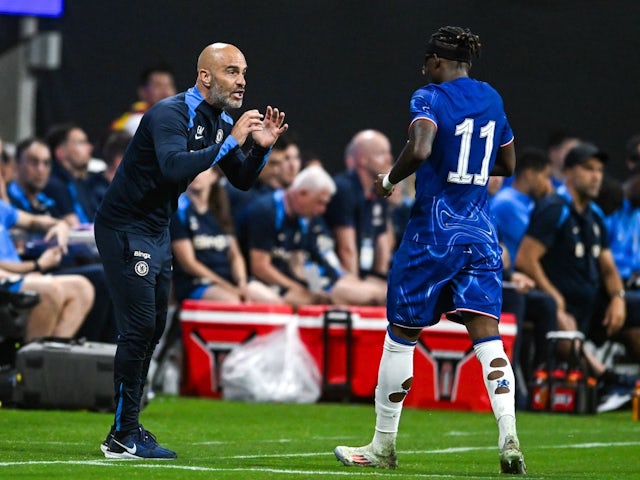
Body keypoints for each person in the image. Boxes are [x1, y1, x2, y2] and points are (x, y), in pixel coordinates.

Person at [333, 26, 526, 474]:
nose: (425, 70)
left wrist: (388, 180)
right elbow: (508, 164)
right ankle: (509, 437)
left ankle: (382, 447)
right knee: (487, 337)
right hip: (480, 233)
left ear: (437, 62)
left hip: (432, 234)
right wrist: (469, 163)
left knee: (401, 335)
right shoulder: (492, 98)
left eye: (427, 63)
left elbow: (419, 149)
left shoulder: (430, 96)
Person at [95, 42, 288, 460]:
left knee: (154, 328)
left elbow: (239, 178)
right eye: (232, 71)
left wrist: (260, 146)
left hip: (157, 228)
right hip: (125, 227)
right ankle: (122, 435)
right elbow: (173, 166)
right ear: (205, 76)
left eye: (244, 72)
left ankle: (125, 429)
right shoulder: (169, 113)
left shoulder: (219, 119)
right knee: (140, 327)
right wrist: (231, 140)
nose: (242, 81)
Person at [515, 142, 640, 412]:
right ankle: (608, 382)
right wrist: (555, 297)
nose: (596, 176)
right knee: (560, 320)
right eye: (588, 169)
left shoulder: (594, 215)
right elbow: (526, 259)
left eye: (599, 170)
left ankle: (631, 387)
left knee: (634, 306)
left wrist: (618, 298)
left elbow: (608, 268)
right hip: (560, 307)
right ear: (569, 172)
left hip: (590, 306)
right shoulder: (554, 208)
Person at [8, 138, 116, 342]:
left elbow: (58, 225)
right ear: (16, 165)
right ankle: (90, 353)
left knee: (116, 271)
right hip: (28, 269)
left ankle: (111, 360)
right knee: (102, 277)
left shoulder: (45, 202)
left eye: (46, 163)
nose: (40, 169)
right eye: (33, 162)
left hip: (55, 263)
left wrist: (60, 226)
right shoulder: (10, 201)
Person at [242, 164, 386, 309]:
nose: (322, 210)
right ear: (302, 193)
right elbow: (260, 267)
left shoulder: (304, 218)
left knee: (379, 293)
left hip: (302, 280)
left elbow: (303, 261)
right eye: (320, 203)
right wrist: (302, 289)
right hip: (263, 284)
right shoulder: (266, 211)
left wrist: (318, 288)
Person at [170, 166, 283, 304]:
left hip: (228, 280)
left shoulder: (220, 211)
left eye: (202, 169)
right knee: (235, 303)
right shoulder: (179, 211)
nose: (195, 174)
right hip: (197, 283)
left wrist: (241, 282)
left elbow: (235, 255)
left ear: (214, 176)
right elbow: (189, 263)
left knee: (275, 301)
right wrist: (227, 286)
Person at [0, 199, 94, 342]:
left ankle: (52, 355)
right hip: (6, 278)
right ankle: (31, 360)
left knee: (82, 288)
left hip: (19, 276)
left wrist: (59, 225)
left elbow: (33, 221)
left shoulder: (2, 208)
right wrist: (37, 265)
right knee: (50, 290)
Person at [323, 130, 393, 293]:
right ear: (362, 158)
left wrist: (379, 278)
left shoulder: (378, 193)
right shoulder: (344, 188)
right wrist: (357, 289)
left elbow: (383, 246)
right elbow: (346, 248)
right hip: (337, 278)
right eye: (382, 153)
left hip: (365, 275)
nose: (389, 159)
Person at [44, 123, 101, 227]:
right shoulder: (55, 185)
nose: (90, 148)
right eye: (81, 142)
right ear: (60, 152)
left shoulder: (81, 183)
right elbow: (75, 228)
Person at [110, 64, 177, 136]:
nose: (166, 92)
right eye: (158, 86)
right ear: (142, 92)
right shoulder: (136, 122)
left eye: (169, 86)